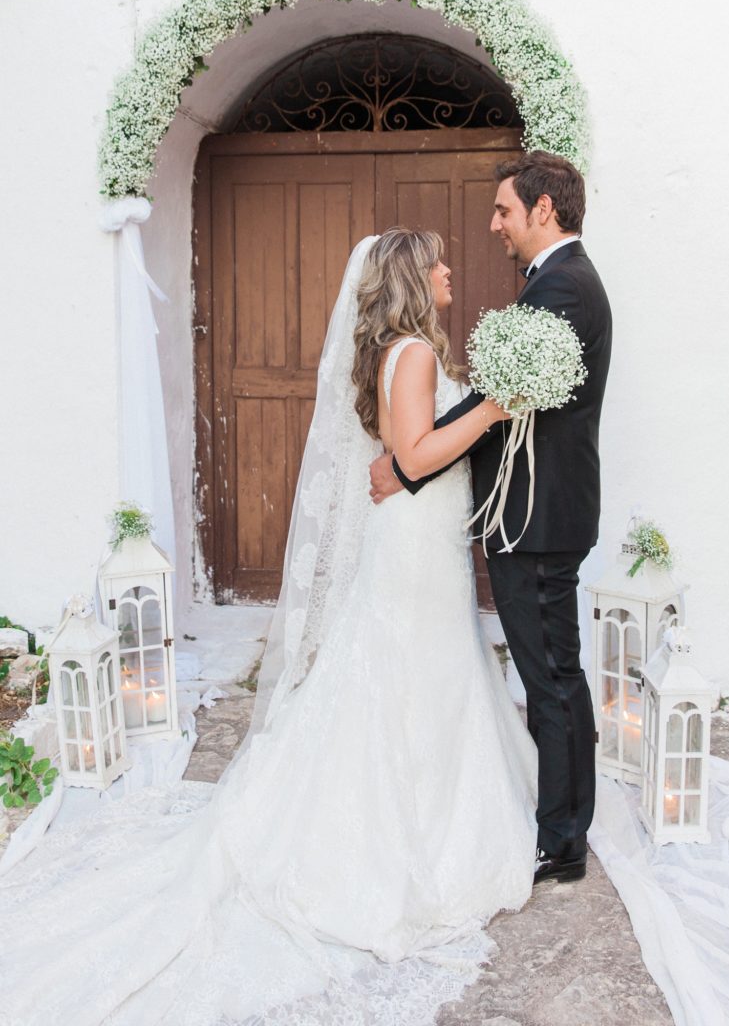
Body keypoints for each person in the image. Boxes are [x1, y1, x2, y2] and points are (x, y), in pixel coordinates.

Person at [0, 229, 537, 1026]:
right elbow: (415, 454)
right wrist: (497, 406)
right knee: (417, 678)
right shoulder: (416, 354)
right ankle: (410, 842)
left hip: (417, 544)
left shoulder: (401, 349)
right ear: (414, 277)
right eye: (440, 261)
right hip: (417, 551)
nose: (453, 268)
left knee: (417, 676)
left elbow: (399, 457)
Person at [370, 153, 612, 885]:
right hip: (528, 518)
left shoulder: (563, 290)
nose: (494, 224)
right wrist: (413, 456)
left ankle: (563, 841)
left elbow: (495, 409)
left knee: (553, 680)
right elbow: (499, 408)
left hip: (538, 522)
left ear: (544, 210)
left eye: (504, 210)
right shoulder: (553, 285)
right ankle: (558, 822)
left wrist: (409, 465)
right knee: (548, 676)